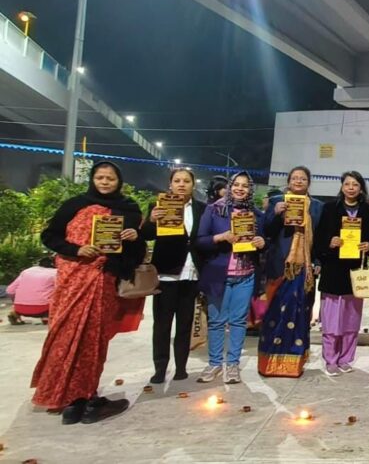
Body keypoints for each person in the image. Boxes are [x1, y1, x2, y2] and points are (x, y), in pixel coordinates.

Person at [33, 161, 145, 424]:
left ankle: (84, 395)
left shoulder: (128, 209)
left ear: (119, 182)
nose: (105, 182)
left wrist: (135, 238)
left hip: (104, 281)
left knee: (94, 340)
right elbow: (50, 236)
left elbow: (135, 253)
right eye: (100, 178)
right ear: (92, 179)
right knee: (65, 336)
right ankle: (66, 396)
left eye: (110, 179)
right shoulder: (74, 205)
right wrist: (77, 250)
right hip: (73, 281)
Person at [195, 171, 266, 384]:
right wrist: (221, 237)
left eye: (245, 186)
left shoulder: (256, 214)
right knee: (217, 322)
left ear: (250, 189)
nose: (240, 189)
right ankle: (215, 363)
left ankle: (233, 364)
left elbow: (264, 242)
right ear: (230, 187)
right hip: (219, 274)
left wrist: (262, 243)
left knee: (238, 322)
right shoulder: (214, 210)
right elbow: (200, 241)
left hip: (246, 275)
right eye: (236, 184)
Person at [139, 168, 207, 384]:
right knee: (162, 324)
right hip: (167, 274)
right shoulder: (158, 205)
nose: (181, 184)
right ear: (170, 184)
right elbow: (145, 235)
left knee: (185, 324)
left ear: (193, 185)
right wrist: (152, 220)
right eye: (177, 181)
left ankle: (181, 367)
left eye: (186, 181)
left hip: (191, 273)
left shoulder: (202, 208)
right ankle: (160, 368)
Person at [257, 167, 324, 377]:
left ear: (308, 182)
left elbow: (320, 238)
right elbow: (266, 231)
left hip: (305, 268)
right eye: (294, 178)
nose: (298, 181)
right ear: (288, 181)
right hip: (280, 266)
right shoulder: (277, 201)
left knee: (300, 313)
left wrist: (317, 261)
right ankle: (269, 363)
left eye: (303, 178)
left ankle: (295, 363)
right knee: (275, 313)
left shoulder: (317, 206)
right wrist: (277, 214)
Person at [314, 171, 369, 375]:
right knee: (331, 322)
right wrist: (329, 242)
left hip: (355, 273)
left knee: (351, 321)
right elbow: (317, 240)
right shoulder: (330, 208)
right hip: (333, 271)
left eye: (355, 184)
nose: (351, 188)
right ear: (342, 187)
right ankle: (330, 359)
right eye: (347, 184)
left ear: (361, 188)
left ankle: (345, 358)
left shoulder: (368, 211)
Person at [6, 255, 56, 325]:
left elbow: (10, 290)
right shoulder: (56, 272)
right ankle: (46, 317)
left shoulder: (27, 271)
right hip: (43, 309)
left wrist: (15, 303)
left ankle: (15, 313)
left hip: (19, 308)